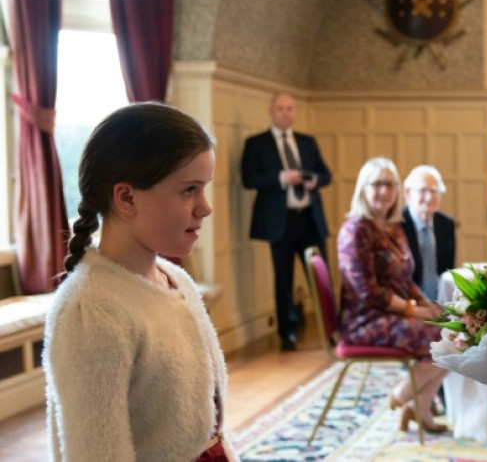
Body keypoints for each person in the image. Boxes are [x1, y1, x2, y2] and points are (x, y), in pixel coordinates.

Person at [43, 103, 238, 461]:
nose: (205, 207)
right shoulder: (94, 311)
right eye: (189, 190)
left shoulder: (174, 278)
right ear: (127, 197)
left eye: (204, 187)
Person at [337, 157, 449, 434]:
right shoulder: (355, 230)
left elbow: (405, 279)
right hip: (365, 321)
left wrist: (427, 304)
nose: (384, 191)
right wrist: (416, 311)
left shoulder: (393, 227)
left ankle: (419, 407)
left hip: (390, 314)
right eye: (377, 184)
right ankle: (401, 395)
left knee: (456, 328)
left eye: (390, 184)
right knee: (444, 338)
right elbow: (369, 293)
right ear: (363, 188)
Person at [241, 92, 332, 351]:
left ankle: (331, 329)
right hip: (279, 222)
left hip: (310, 219)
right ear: (271, 110)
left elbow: (326, 174)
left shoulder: (307, 141)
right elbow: (249, 179)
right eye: (280, 108)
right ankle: (287, 333)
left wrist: (315, 179)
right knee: (284, 280)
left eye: (290, 108)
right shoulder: (256, 143)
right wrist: (282, 178)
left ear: (295, 112)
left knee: (321, 277)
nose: (285, 113)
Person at [401, 165, 457, 301]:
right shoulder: (397, 224)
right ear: (408, 193)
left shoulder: (446, 224)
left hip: (442, 303)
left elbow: (447, 270)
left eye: (434, 191)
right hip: (407, 302)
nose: (429, 197)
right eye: (423, 190)